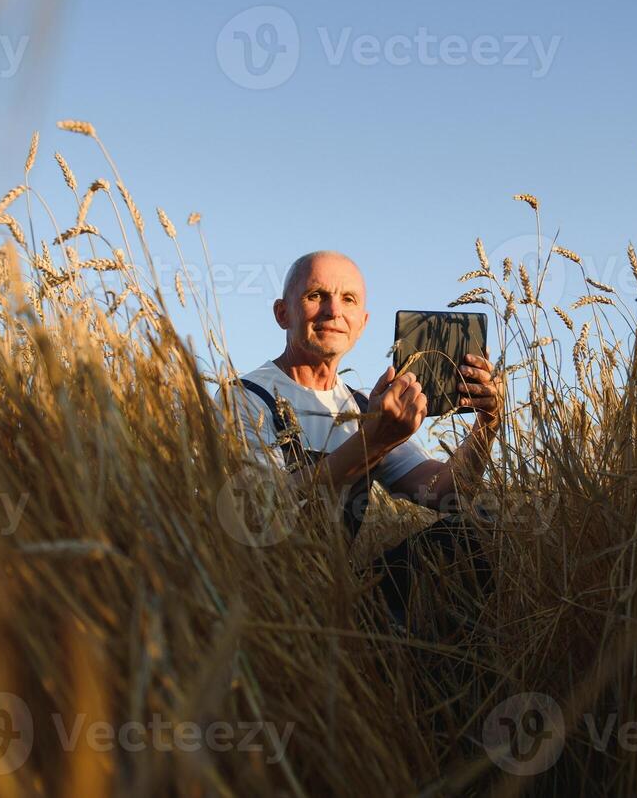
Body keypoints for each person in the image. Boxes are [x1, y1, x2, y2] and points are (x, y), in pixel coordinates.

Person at [214, 250, 502, 632]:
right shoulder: (245, 397)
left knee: (476, 529)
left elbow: (446, 491)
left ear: (362, 323)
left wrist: (488, 422)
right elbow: (259, 510)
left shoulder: (364, 407)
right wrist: (373, 441)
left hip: (342, 597)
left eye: (348, 299)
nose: (334, 311)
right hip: (261, 607)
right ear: (282, 313)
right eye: (316, 295)